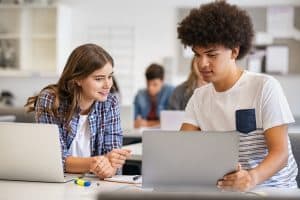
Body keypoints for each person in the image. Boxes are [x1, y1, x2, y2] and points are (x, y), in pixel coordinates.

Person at [178, 1, 298, 191]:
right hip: (226, 189)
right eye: (197, 55)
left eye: (211, 55)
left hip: (272, 189)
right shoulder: (199, 97)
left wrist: (252, 178)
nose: (202, 63)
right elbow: (182, 148)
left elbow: (280, 154)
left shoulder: (265, 87)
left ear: (234, 51)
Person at [25, 43, 131, 179]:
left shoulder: (110, 103)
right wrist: (94, 163)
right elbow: (55, 159)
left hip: (96, 184)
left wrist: (110, 169)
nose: (108, 85)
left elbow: (113, 157)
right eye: (99, 79)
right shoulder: (51, 100)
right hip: (60, 181)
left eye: (110, 76)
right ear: (78, 79)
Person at [134, 63, 174, 128]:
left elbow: (171, 122)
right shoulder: (140, 94)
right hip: (142, 133)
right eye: (148, 84)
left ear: (162, 81)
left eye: (155, 84)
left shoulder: (171, 92)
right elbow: (133, 120)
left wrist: (147, 123)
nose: (150, 88)